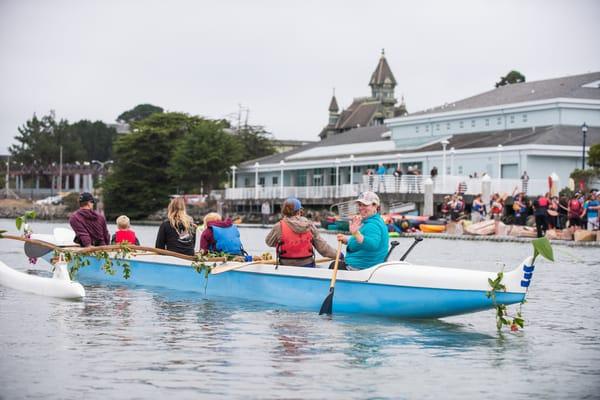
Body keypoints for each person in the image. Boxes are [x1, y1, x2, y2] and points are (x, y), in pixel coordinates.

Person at [265, 197, 337, 267]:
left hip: (286, 265)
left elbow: (269, 242)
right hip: (307, 265)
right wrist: (338, 255)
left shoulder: (278, 226)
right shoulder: (309, 225)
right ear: (299, 211)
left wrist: (284, 243)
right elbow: (323, 248)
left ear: (284, 211)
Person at [336, 191, 389, 270]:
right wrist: (348, 240)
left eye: (365, 205)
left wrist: (356, 233)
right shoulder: (374, 221)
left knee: (334, 265)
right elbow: (362, 240)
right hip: (365, 265)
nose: (361, 208)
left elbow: (372, 244)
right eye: (360, 205)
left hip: (362, 267)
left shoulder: (373, 225)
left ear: (375, 206)